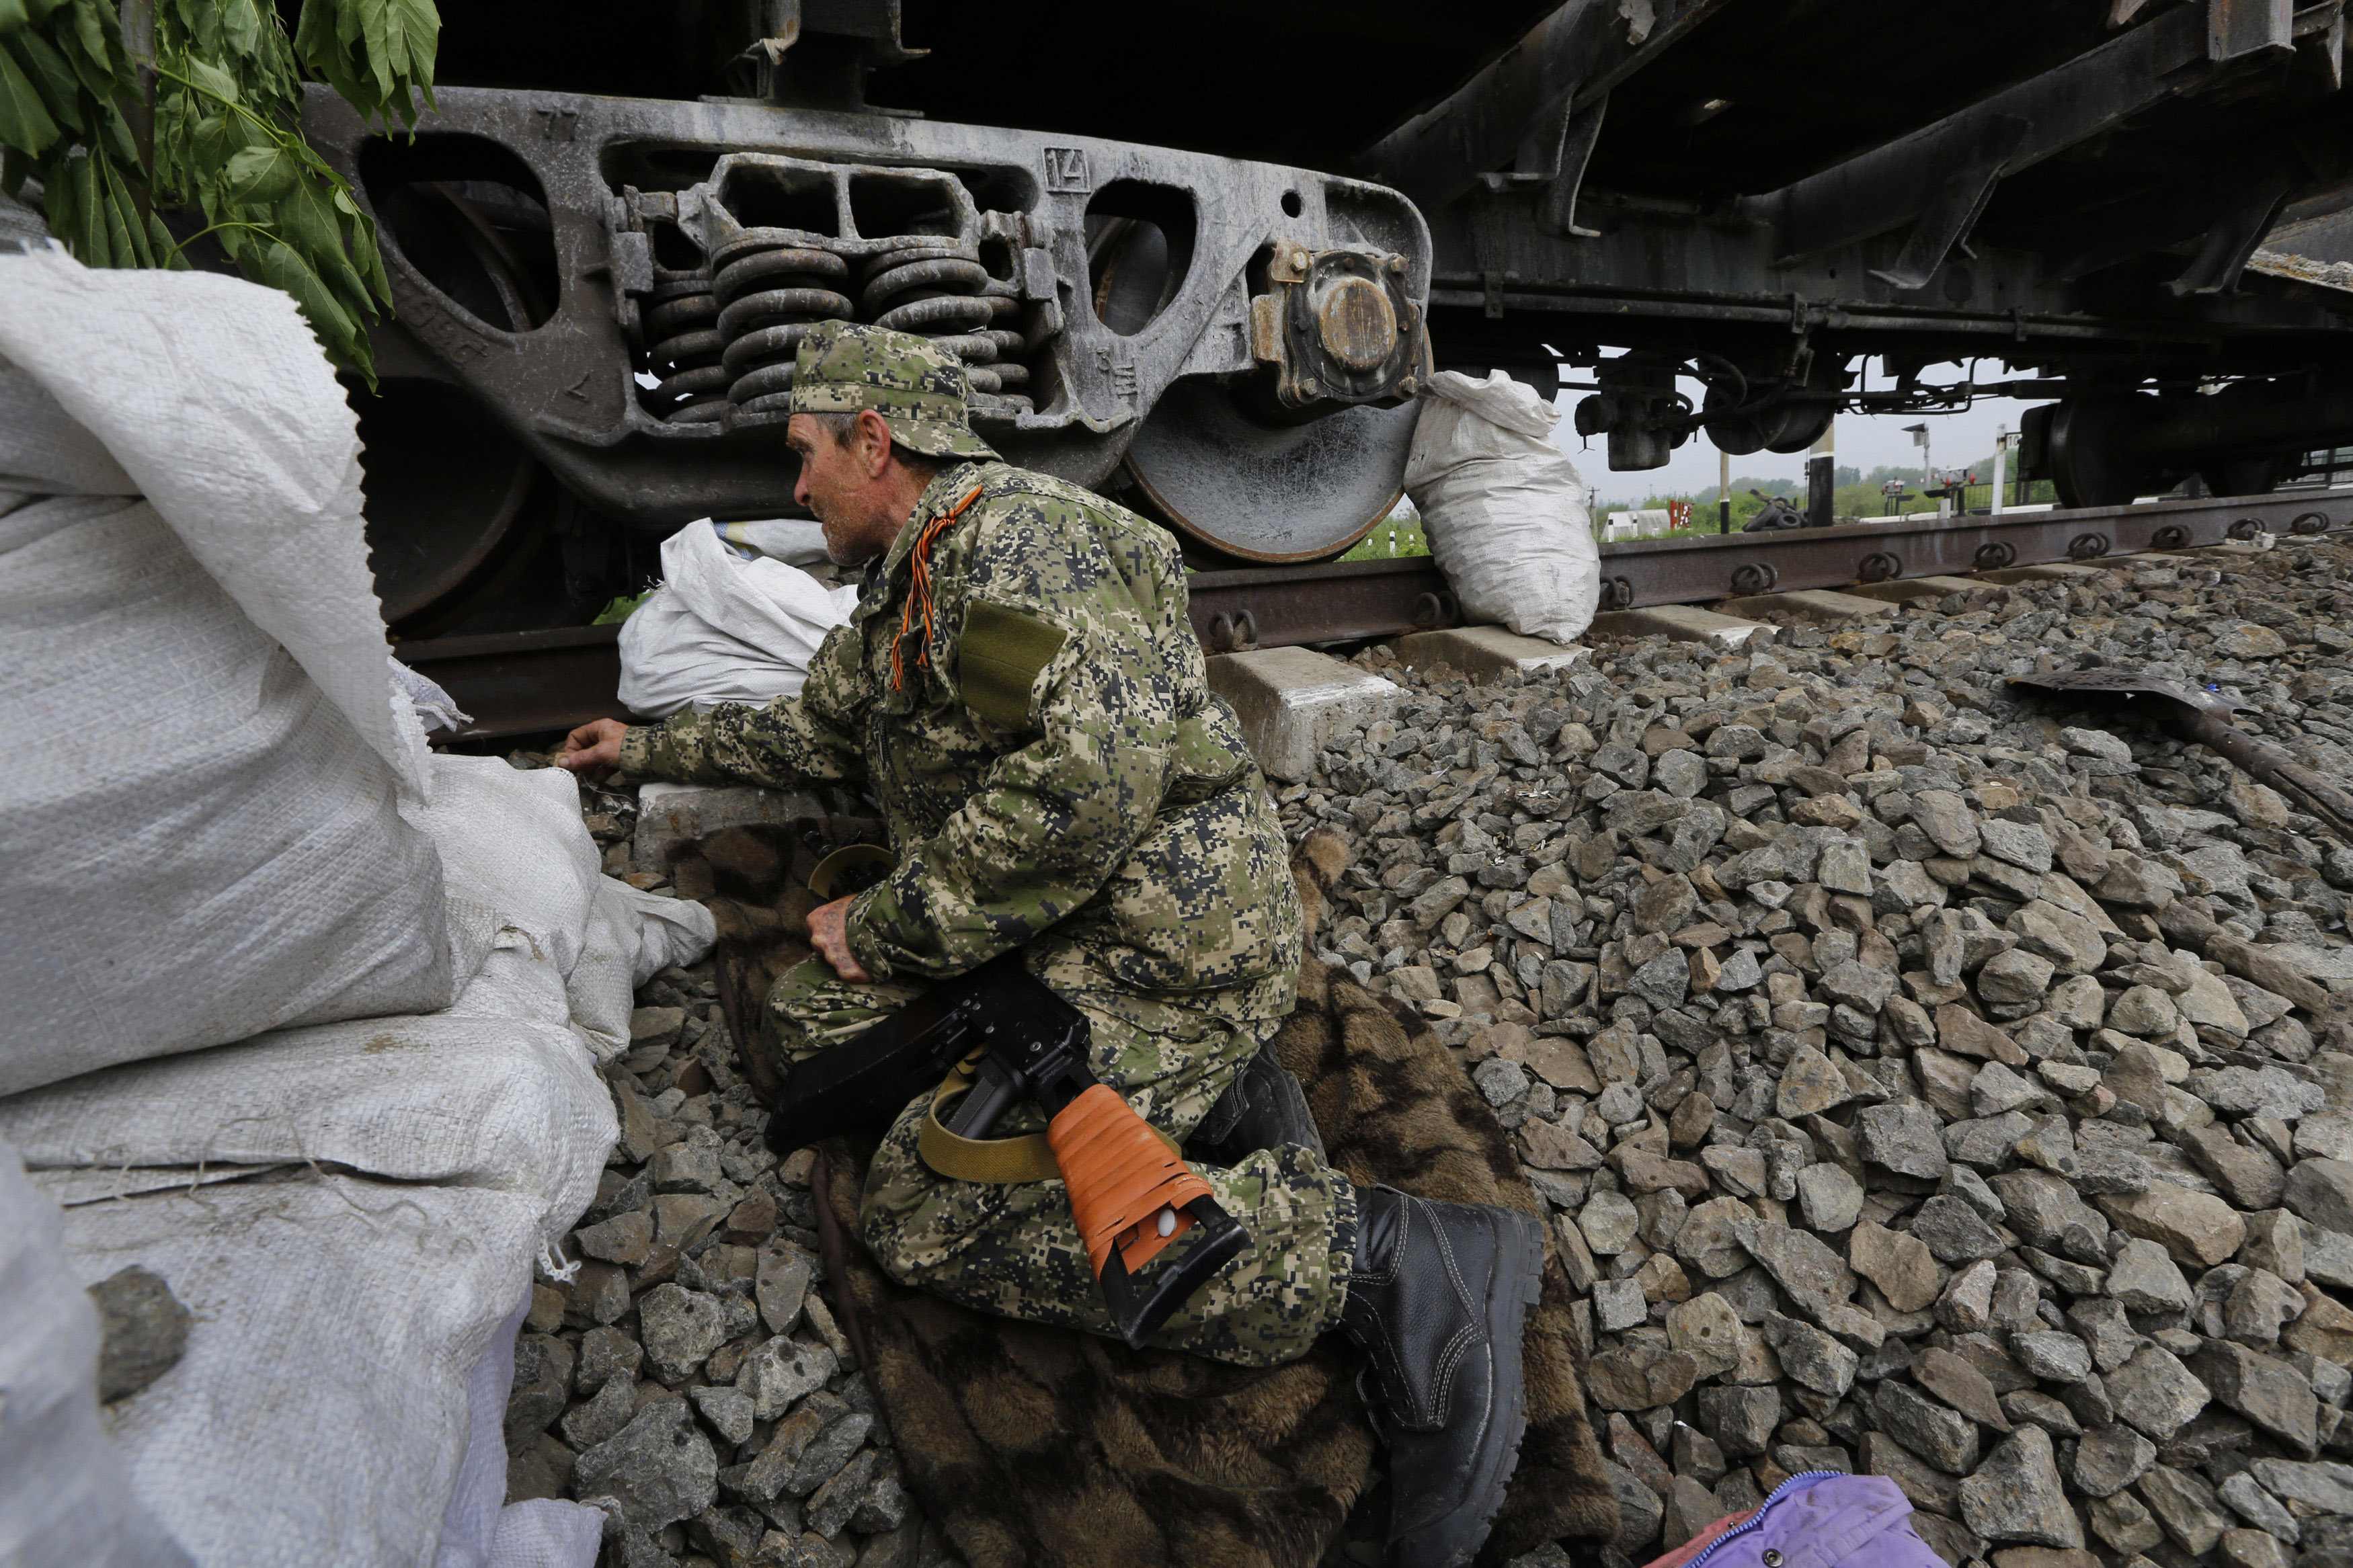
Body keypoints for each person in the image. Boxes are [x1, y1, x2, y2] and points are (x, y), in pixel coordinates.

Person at [559, 321, 1542, 1567]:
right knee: (822, 1031)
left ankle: (1387, 1262)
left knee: (923, 1209)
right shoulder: (913, 583)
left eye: (806, 454)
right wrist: (642, 747)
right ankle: (1215, 1089)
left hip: (1163, 948)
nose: (796, 486)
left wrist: (887, 923)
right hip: (1063, 927)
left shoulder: (1026, 548)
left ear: (876, 440)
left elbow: (1087, 783)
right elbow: (821, 738)